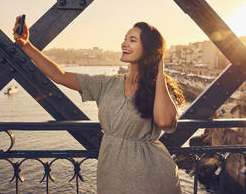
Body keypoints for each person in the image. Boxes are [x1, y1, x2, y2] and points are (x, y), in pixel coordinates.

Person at [13, 17, 185, 194]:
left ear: (149, 50)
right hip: (112, 173)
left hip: (153, 177)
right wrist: (26, 45)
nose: (124, 44)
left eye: (132, 40)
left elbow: (165, 122)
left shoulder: (160, 89)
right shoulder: (106, 84)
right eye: (125, 38)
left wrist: (160, 70)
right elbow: (60, 75)